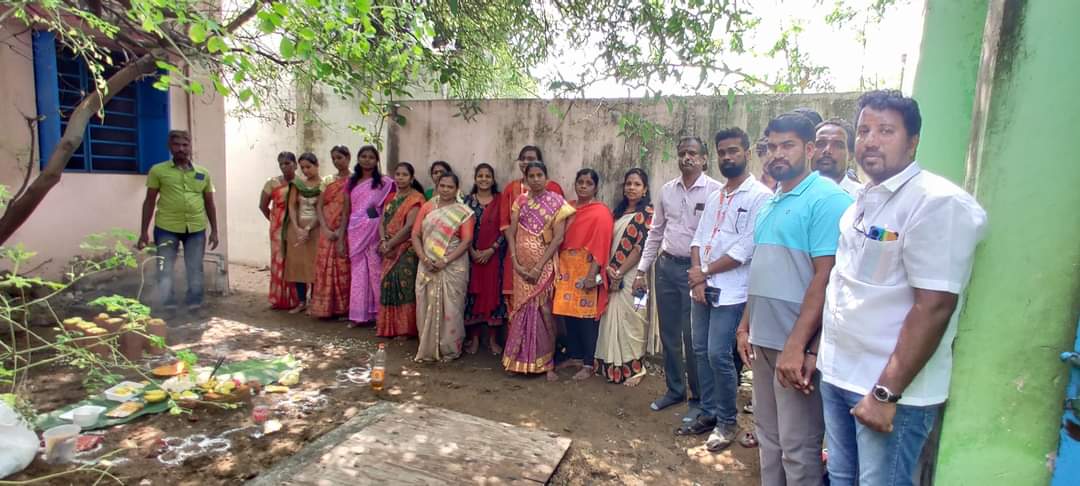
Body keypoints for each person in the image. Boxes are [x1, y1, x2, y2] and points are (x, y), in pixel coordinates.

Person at [819, 91, 986, 486]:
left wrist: (885, 394)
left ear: (912, 142)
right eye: (863, 131)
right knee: (841, 477)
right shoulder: (862, 201)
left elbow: (935, 306)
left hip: (889, 394)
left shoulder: (936, 203)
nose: (870, 140)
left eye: (886, 131)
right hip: (840, 375)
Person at [735, 113, 853, 486]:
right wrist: (744, 326)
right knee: (769, 440)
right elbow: (764, 269)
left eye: (787, 145)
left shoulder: (828, 199)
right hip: (764, 339)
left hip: (796, 349)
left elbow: (826, 276)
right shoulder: (772, 202)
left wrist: (798, 346)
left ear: (809, 148)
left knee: (798, 448)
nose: (776, 155)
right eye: (770, 147)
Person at [685, 127, 772, 449]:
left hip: (733, 292)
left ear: (747, 153)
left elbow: (744, 250)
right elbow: (699, 239)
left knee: (718, 354)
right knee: (698, 352)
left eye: (734, 151)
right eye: (722, 152)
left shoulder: (761, 197)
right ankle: (708, 412)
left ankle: (726, 422)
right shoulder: (715, 195)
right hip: (704, 288)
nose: (727, 157)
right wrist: (698, 276)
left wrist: (702, 273)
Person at [633, 136, 722, 419]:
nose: (687, 158)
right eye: (682, 153)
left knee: (693, 336)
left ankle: (698, 398)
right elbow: (655, 231)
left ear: (704, 158)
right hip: (667, 268)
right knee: (669, 334)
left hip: (696, 272)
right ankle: (674, 390)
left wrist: (705, 274)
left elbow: (717, 237)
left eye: (693, 153)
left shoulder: (716, 192)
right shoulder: (666, 191)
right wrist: (641, 270)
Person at [502, 162, 575, 381]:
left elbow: (558, 238)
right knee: (521, 310)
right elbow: (512, 233)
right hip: (521, 268)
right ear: (525, 178)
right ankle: (519, 361)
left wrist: (538, 266)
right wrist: (515, 260)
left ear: (546, 177)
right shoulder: (520, 201)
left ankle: (548, 363)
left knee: (544, 313)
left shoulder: (556, 202)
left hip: (543, 267)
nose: (535, 179)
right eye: (531, 175)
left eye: (539, 175)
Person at [137, 130, 219, 314]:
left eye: (185, 145)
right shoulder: (158, 171)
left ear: (190, 147)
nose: (181, 149)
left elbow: (209, 202)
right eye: (177, 145)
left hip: (196, 228)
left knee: (195, 267)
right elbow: (149, 201)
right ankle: (168, 304)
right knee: (164, 267)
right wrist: (144, 231)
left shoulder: (203, 173)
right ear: (170, 147)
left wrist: (214, 230)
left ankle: (194, 303)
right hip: (167, 227)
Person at [553, 169, 614, 381]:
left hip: (587, 267)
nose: (583, 186)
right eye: (580, 182)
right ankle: (575, 356)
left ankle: (589, 363)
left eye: (589, 183)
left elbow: (602, 244)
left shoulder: (601, 212)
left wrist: (592, 274)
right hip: (566, 267)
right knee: (568, 314)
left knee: (587, 318)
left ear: (596, 187)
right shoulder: (567, 208)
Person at [595, 168, 654, 386]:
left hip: (637, 275)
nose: (631, 187)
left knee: (636, 318)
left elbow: (641, 247)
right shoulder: (616, 214)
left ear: (645, 189)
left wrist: (620, 271)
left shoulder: (648, 214)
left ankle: (636, 368)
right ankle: (612, 364)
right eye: (628, 183)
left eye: (637, 184)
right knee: (611, 316)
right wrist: (610, 271)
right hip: (613, 273)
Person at [412, 173, 475, 362]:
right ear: (437, 186)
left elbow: (466, 241)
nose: (446, 190)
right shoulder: (427, 207)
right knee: (424, 304)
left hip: (453, 266)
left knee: (452, 308)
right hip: (427, 264)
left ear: (457, 189)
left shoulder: (464, 211)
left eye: (450, 187)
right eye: (442, 186)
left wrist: (445, 260)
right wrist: (423, 258)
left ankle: (449, 349)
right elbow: (415, 235)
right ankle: (428, 347)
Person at [498, 145, 564, 312]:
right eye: (524, 158)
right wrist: (515, 258)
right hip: (518, 256)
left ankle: (544, 338)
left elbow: (559, 232)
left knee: (544, 306)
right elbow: (506, 224)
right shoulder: (513, 191)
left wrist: (539, 264)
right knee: (518, 302)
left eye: (532, 159)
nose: (527, 162)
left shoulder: (554, 191)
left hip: (545, 257)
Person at [345, 145, 395, 326]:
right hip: (355, 230)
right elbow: (346, 209)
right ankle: (359, 315)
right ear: (358, 159)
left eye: (371, 157)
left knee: (375, 270)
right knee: (358, 272)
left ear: (377, 160)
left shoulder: (385, 182)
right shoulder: (351, 182)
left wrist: (376, 221)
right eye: (363, 156)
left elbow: (389, 207)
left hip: (374, 230)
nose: (367, 160)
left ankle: (379, 315)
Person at [375, 162, 426, 337]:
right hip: (387, 246)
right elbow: (382, 221)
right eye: (397, 174)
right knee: (388, 285)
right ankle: (388, 327)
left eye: (404, 175)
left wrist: (390, 244)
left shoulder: (416, 199)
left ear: (411, 178)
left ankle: (405, 329)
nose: (400, 178)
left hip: (406, 249)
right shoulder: (390, 197)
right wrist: (383, 241)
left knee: (403, 287)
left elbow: (410, 227)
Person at [464, 163, 507, 355]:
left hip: (494, 257)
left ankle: (492, 340)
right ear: (475, 179)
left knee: (493, 295)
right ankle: (474, 339)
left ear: (493, 179)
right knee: (473, 295)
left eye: (487, 176)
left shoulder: (500, 200)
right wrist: (472, 250)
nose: (483, 179)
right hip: (471, 257)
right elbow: (462, 229)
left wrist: (492, 249)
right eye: (480, 175)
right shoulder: (467, 202)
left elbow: (505, 228)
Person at [309, 146, 352, 319]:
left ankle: (342, 308)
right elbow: (319, 206)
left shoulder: (354, 180)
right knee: (324, 266)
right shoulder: (327, 180)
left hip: (346, 229)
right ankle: (324, 308)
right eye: (333, 158)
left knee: (343, 265)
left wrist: (341, 230)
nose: (336, 161)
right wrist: (325, 228)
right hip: (326, 229)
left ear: (348, 158)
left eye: (340, 157)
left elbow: (350, 208)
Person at [259, 151, 300, 311]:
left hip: (296, 226)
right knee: (279, 261)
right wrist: (274, 220)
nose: (285, 166)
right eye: (281, 164)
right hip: (277, 229)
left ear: (295, 165)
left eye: (288, 163)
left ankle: (297, 299)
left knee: (294, 260)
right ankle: (278, 298)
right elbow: (262, 206)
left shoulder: (302, 183)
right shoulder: (272, 183)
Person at [283, 152, 322, 314]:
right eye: (303, 167)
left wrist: (307, 229)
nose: (305, 170)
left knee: (314, 265)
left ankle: (314, 301)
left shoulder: (323, 185)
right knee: (298, 264)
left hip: (316, 229)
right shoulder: (297, 185)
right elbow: (292, 206)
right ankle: (301, 301)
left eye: (309, 167)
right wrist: (298, 227)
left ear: (317, 165)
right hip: (297, 228)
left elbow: (322, 210)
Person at [813, 118, 863, 195]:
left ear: (851, 154)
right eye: (820, 144)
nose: (827, 150)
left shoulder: (862, 197)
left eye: (837, 145)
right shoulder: (792, 193)